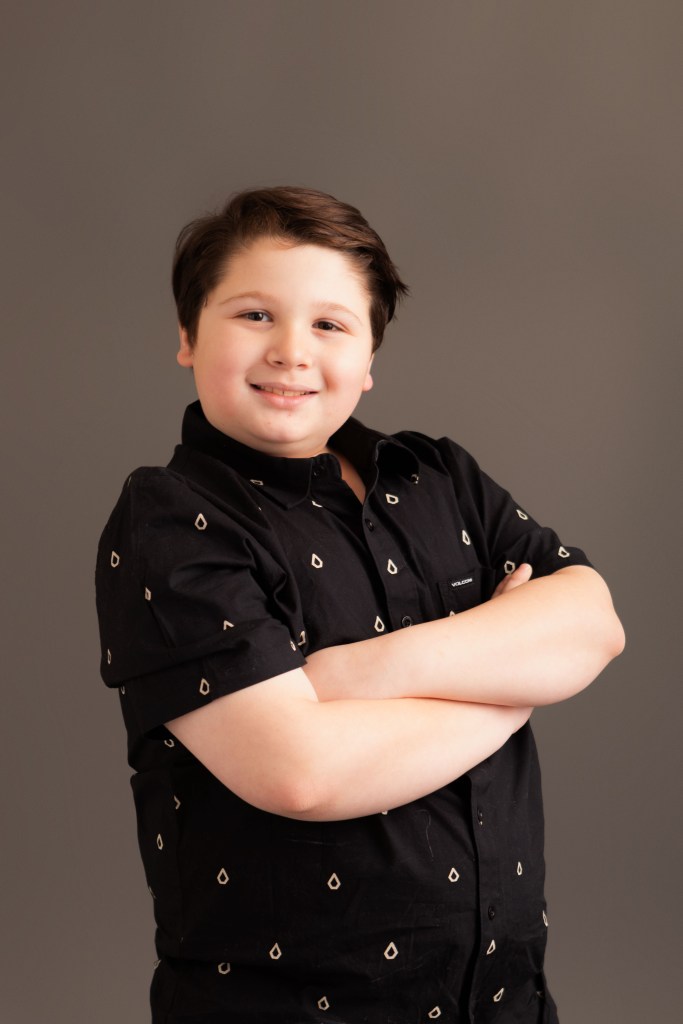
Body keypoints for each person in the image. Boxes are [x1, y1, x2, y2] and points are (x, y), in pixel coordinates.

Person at [95, 186, 624, 1023]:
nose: (292, 352)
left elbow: (593, 622)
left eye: (330, 325)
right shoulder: (173, 518)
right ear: (188, 336)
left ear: (370, 357)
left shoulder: (439, 476)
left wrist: (365, 672)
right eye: (255, 315)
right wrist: (509, 686)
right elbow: (302, 771)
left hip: (503, 998)